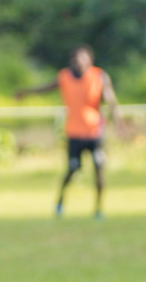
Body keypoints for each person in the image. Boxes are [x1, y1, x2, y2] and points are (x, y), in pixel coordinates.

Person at [16, 45, 122, 219]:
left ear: (90, 60)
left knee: (98, 167)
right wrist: (26, 92)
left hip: (94, 132)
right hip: (74, 132)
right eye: (76, 59)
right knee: (72, 169)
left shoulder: (99, 76)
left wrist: (119, 123)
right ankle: (60, 202)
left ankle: (98, 209)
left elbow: (111, 101)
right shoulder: (64, 77)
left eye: (83, 59)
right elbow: (45, 88)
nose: (79, 63)